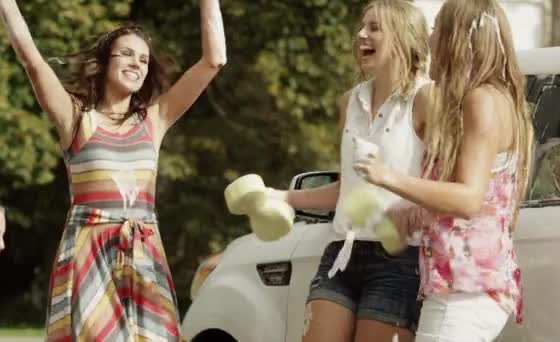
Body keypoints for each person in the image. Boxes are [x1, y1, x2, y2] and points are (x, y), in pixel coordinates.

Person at [0, 0, 226, 340]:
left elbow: (214, 61)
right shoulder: (76, 118)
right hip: (90, 255)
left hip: (144, 253)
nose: (137, 62)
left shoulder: (154, 120)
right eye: (127, 54)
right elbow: (32, 60)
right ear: (105, 63)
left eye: (144, 59)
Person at [353, 0, 535, 341]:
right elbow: (485, 201)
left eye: (438, 26)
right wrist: (417, 211)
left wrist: (386, 177)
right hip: (463, 286)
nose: (430, 35)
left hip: (466, 290)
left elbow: (468, 198)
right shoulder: (494, 96)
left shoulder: (480, 100)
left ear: (459, 38)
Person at [267, 1, 430, 341]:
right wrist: (282, 196)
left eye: (374, 28)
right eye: (361, 26)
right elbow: (346, 188)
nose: (360, 35)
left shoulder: (426, 98)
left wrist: (414, 208)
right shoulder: (350, 102)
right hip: (341, 252)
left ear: (403, 36)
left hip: (399, 261)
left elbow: (447, 183)